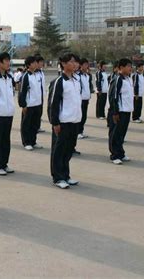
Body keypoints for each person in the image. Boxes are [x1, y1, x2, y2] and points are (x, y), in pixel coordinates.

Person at [49, 53, 82, 189]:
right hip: (63, 122)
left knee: (68, 149)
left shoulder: (75, 80)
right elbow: (53, 103)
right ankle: (58, 177)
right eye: (71, 62)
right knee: (59, 150)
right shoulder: (59, 82)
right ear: (63, 63)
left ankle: (66, 175)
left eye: (75, 62)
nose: (74, 64)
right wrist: (55, 122)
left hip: (74, 121)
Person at [0, 52, 15, 175]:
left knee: (6, 140)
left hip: (8, 113)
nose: (8, 63)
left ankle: (4, 164)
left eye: (9, 61)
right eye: (6, 61)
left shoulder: (10, 78)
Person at [108, 58, 134, 165]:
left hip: (127, 110)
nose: (130, 68)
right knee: (115, 134)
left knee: (122, 134)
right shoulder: (117, 79)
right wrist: (115, 112)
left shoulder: (128, 79)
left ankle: (120, 153)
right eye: (128, 66)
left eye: (130, 66)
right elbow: (113, 96)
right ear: (121, 68)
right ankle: (114, 155)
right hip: (119, 111)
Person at [18, 56, 43, 151]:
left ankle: (33, 141)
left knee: (35, 124)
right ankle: (26, 142)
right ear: (29, 65)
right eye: (33, 63)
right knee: (26, 124)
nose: (36, 64)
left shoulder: (38, 75)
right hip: (29, 105)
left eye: (36, 62)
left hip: (37, 104)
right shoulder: (26, 76)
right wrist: (23, 104)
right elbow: (22, 91)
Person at [78, 58, 93, 139]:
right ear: (81, 65)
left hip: (86, 98)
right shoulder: (78, 76)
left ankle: (81, 131)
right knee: (80, 116)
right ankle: (78, 132)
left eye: (87, 64)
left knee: (84, 116)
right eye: (85, 64)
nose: (86, 66)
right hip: (80, 99)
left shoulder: (87, 76)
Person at [35, 54, 46, 133]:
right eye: (41, 62)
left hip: (41, 95)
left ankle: (38, 126)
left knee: (40, 112)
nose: (42, 64)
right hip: (35, 97)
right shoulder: (33, 73)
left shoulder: (41, 72)